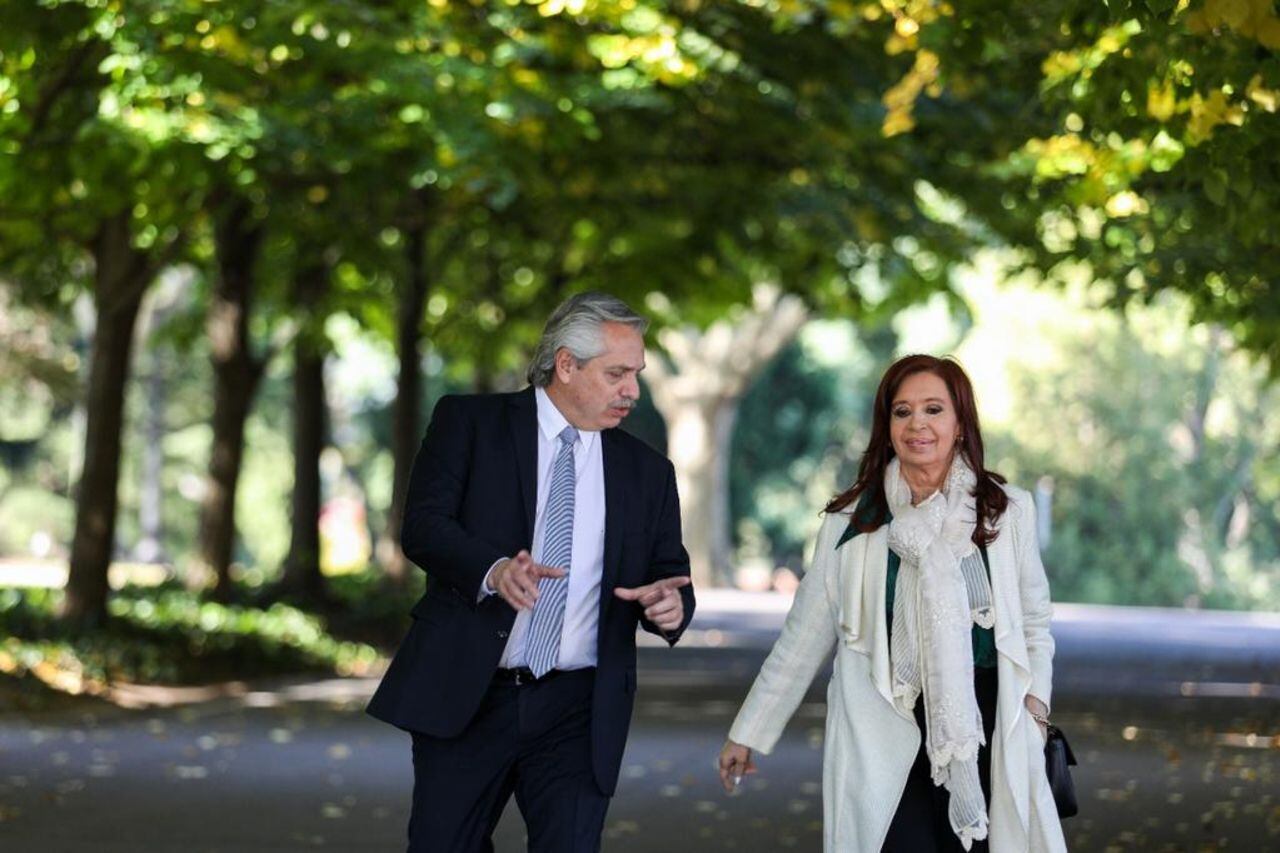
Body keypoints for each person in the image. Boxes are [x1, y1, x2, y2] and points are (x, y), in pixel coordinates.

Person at [369, 292, 695, 852]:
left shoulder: (649, 472)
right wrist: (493, 570)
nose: (632, 392)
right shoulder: (468, 423)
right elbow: (423, 526)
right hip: (471, 695)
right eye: (617, 373)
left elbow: (670, 574)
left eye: (636, 374)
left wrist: (671, 610)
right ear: (566, 365)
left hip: (579, 707)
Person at [718, 354, 1067, 852]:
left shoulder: (1006, 513)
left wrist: (1034, 710)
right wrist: (747, 731)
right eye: (902, 412)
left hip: (986, 730)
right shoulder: (851, 525)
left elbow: (1035, 622)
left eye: (933, 409)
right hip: (883, 731)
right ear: (887, 426)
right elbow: (803, 638)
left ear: (961, 424)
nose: (917, 424)